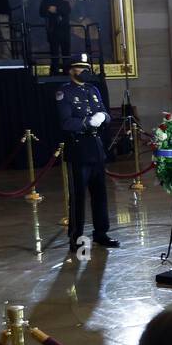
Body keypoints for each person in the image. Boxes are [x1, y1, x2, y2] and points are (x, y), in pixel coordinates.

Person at [56, 56, 118, 250]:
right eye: (81, 68)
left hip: (96, 149)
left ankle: (101, 232)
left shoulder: (93, 90)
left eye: (87, 67)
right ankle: (75, 237)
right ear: (71, 70)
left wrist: (103, 117)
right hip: (79, 150)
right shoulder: (64, 92)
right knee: (78, 196)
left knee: (100, 194)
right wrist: (86, 123)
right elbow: (65, 122)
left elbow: (105, 114)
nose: (85, 70)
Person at [39, 0, 71, 75]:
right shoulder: (45, 2)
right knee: (54, 52)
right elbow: (41, 12)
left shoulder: (64, 3)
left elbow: (67, 11)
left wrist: (56, 10)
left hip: (64, 31)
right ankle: (54, 71)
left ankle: (67, 71)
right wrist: (49, 10)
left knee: (66, 52)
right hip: (53, 31)